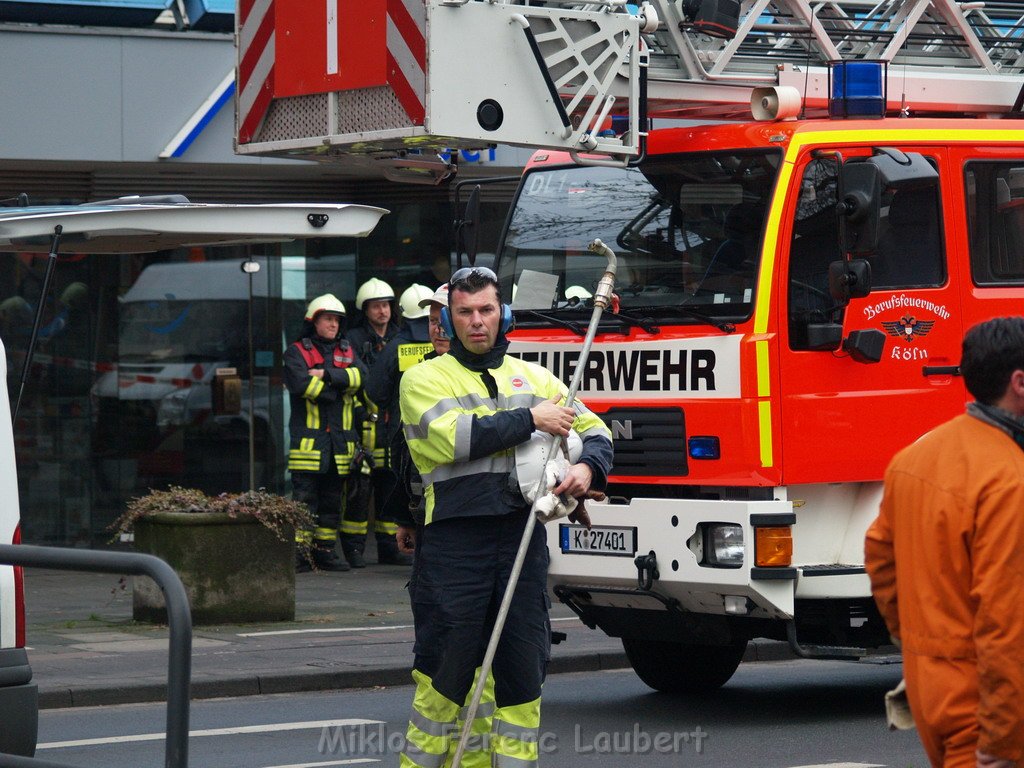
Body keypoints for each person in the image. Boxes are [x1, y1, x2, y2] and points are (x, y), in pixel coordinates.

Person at [397, 267, 613, 767]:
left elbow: (596, 428)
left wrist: (586, 468)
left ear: (503, 314)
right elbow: (452, 439)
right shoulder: (422, 378)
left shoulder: (535, 377)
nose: (477, 322)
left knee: (520, 672)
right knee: (445, 671)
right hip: (456, 544)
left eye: (486, 310)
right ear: (448, 321)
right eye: (465, 313)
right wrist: (530, 419)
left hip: (521, 539)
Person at [865, 316, 1024, 768]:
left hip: (931, 689)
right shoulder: (1008, 477)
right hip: (986, 709)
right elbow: (1005, 622)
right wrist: (1004, 739)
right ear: (1019, 383)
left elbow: (880, 557)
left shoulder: (914, 458)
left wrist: (918, 641)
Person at [284, 294, 367, 572]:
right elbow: (300, 385)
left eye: (336, 320)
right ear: (313, 320)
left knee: (332, 502)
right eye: (327, 318)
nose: (333, 324)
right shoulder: (296, 351)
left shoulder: (348, 348)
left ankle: (325, 552)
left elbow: (362, 378)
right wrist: (340, 387)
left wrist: (327, 375)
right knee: (304, 503)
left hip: (339, 445)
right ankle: (298, 555)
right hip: (310, 446)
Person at [356, 283, 436, 566]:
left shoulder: (395, 348)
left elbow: (374, 390)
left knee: (406, 487)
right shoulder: (447, 344)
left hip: (403, 434)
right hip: (444, 434)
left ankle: (411, 544)